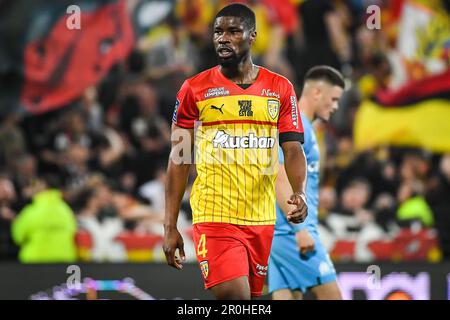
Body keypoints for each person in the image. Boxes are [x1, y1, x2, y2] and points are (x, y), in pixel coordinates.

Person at [163, 3, 308, 300]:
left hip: (261, 219)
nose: (223, 38)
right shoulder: (194, 89)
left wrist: (300, 192)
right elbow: (179, 160)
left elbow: (292, 150)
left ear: (252, 36)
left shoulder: (280, 88)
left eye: (233, 31)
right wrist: (170, 225)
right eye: (218, 32)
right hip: (214, 215)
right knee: (234, 297)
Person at [268, 66, 345, 300]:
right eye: (333, 99)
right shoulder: (298, 125)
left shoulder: (301, 126)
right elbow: (277, 173)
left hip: (279, 231)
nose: (336, 106)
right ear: (317, 92)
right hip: (290, 231)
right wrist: (300, 229)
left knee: (288, 296)